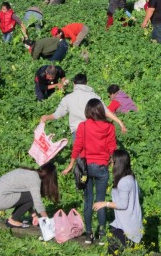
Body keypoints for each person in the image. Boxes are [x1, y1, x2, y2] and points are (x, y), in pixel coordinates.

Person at [62, 99, 117, 245]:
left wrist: (70, 165)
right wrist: (112, 162)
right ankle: (102, 233)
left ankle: (88, 235)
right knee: (101, 201)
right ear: (100, 110)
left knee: (88, 201)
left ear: (88, 111)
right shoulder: (109, 127)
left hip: (86, 167)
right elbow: (112, 147)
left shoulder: (83, 126)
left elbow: (77, 146)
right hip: (102, 167)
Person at [40, 73, 126, 138]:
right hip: (93, 131)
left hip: (77, 132)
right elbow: (105, 111)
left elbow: (57, 115)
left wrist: (46, 117)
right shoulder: (93, 96)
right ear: (86, 83)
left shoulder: (67, 98)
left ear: (74, 84)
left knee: (80, 157)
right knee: (94, 157)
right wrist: (120, 122)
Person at [92, 149, 143, 255]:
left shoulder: (123, 182)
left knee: (113, 251)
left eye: (112, 161)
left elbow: (123, 205)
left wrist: (104, 203)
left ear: (118, 163)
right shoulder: (132, 178)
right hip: (130, 224)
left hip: (126, 227)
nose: (110, 163)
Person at [0, 163, 59, 228]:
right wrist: (47, 221)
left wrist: (34, 215)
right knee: (32, 196)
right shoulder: (35, 179)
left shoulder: (30, 173)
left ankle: (12, 218)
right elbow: (37, 203)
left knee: (30, 196)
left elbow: (26, 199)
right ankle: (13, 220)